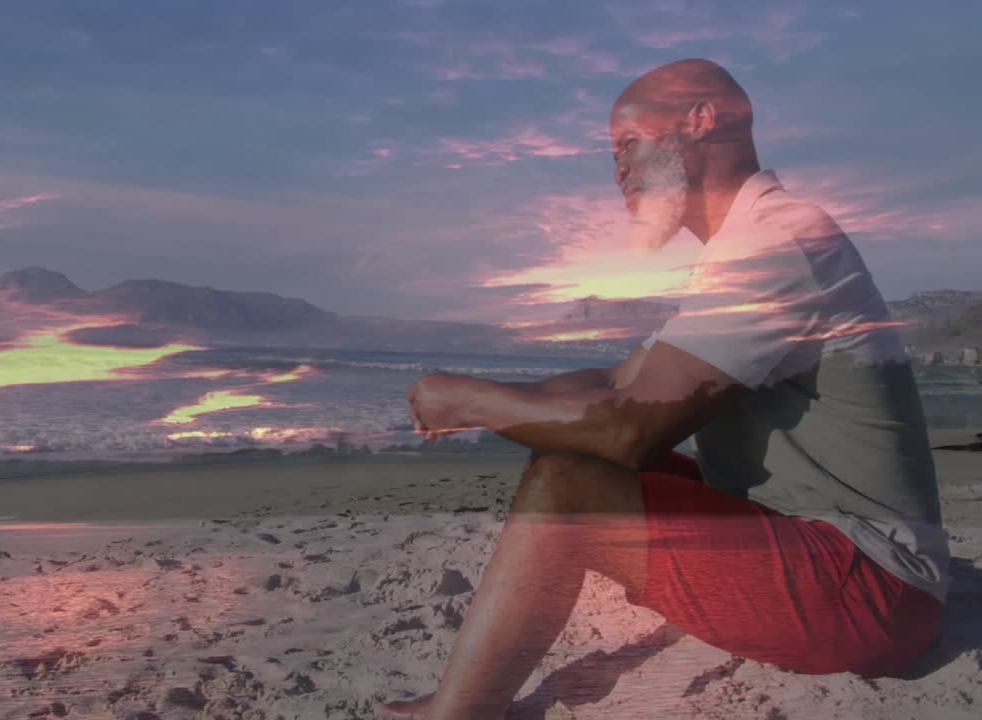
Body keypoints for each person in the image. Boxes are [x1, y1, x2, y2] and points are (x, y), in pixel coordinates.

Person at [380, 58, 949, 720]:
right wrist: (478, 393)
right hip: (821, 546)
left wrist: (470, 403)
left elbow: (631, 428)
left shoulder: (777, 241)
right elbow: (616, 381)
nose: (618, 170)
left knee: (570, 482)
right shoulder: (749, 241)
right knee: (569, 453)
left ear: (701, 120)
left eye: (628, 144)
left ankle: (460, 712)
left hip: (874, 588)